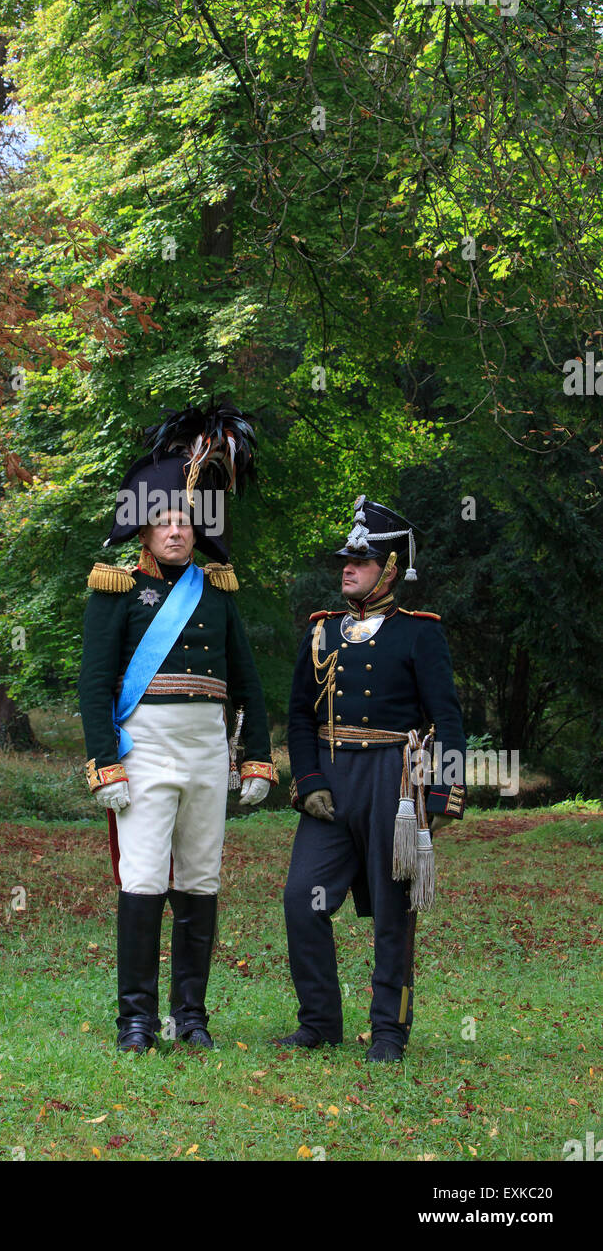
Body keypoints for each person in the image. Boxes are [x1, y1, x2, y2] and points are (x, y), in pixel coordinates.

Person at [78, 404, 277, 1053]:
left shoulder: (217, 591)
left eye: (185, 522)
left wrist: (254, 757)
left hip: (205, 757)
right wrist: (104, 762)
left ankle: (190, 1017)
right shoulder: (116, 587)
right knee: (141, 881)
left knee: (200, 879)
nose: (176, 531)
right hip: (147, 755)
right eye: (164, 521)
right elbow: (93, 683)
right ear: (144, 529)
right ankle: (135, 1020)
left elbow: (246, 683)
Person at [279, 495, 467, 1061]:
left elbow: (449, 719)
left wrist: (441, 793)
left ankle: (389, 1030)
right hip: (332, 782)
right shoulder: (321, 632)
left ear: (389, 569)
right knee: (300, 900)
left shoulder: (420, 633)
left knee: (393, 912)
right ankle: (319, 1023)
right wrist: (309, 779)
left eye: (360, 561)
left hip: (395, 785)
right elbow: (298, 715)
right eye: (345, 560)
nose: (347, 568)